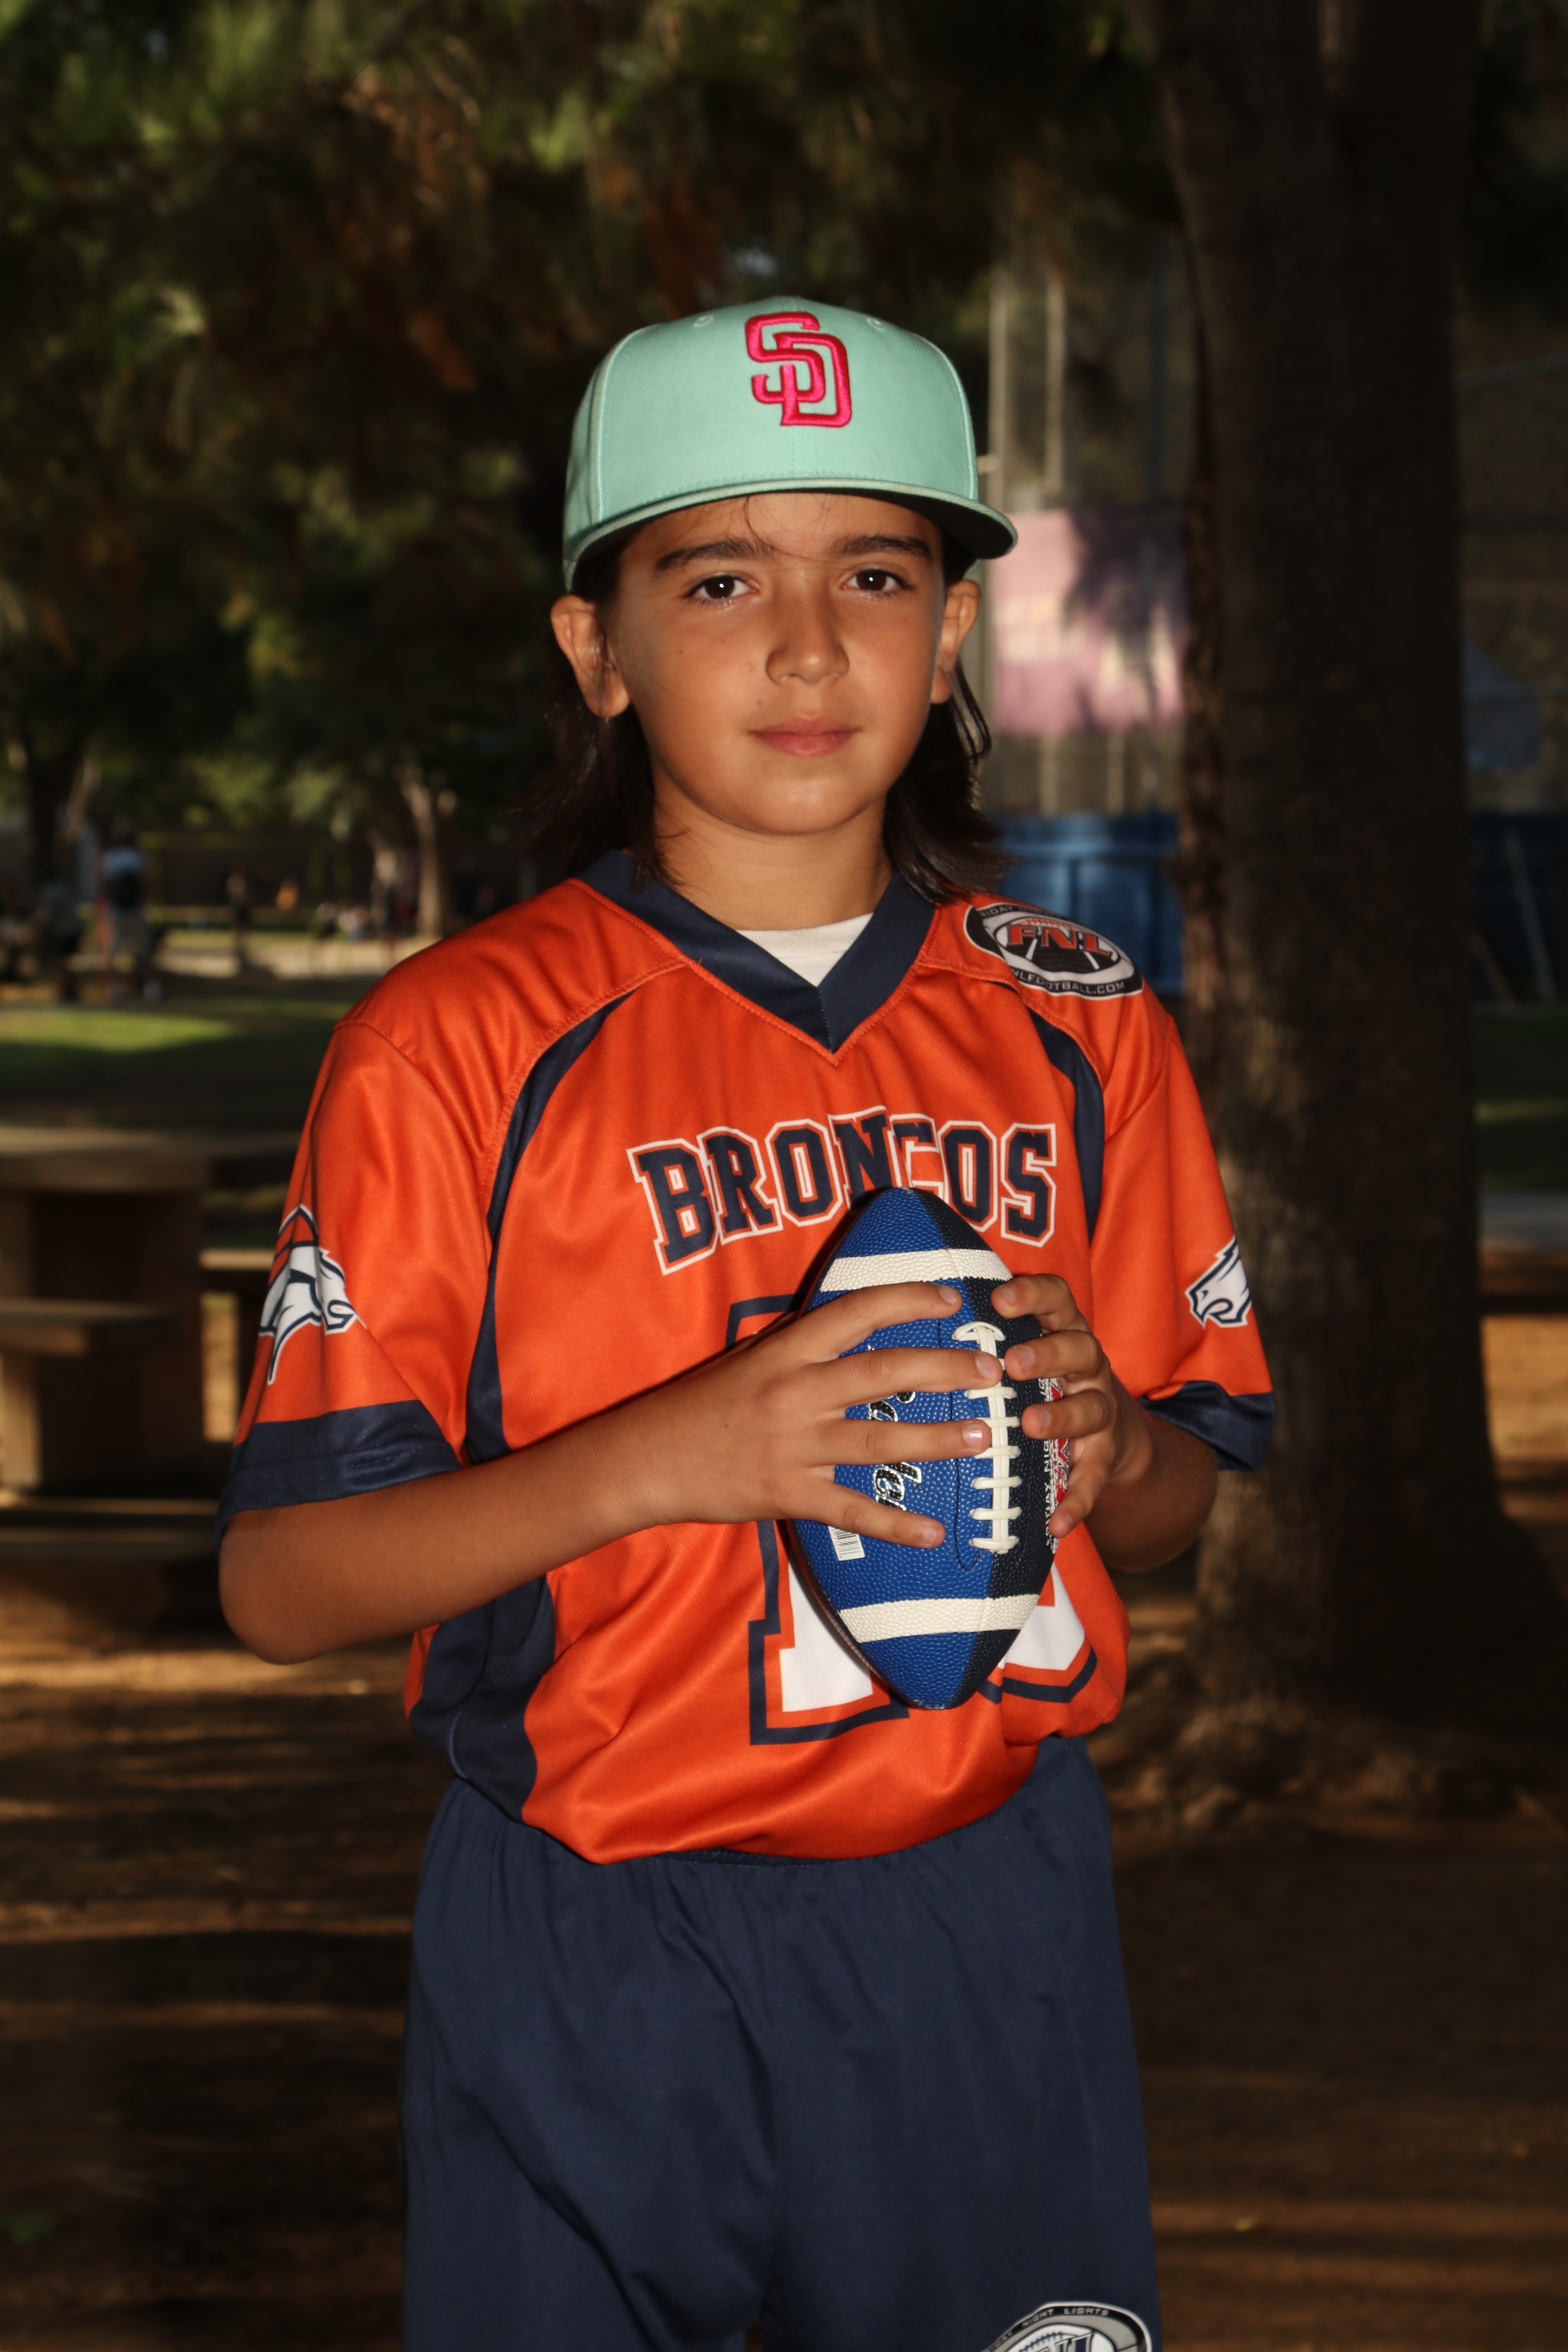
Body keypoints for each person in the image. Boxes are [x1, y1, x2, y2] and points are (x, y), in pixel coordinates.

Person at [218, 301, 1273, 2352]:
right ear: (595, 647)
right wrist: (674, 1456)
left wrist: (1116, 1443)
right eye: (718, 579)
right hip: (589, 1929)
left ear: (950, 631)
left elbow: (1176, 1507)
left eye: (875, 573)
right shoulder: (453, 1043)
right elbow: (281, 1581)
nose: (806, 645)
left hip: (983, 1908)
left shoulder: (1080, 1020)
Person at [100, 822, 153, 1001]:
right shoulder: (138, 857)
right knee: (143, 952)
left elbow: (103, 884)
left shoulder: (109, 857)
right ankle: (150, 988)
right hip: (135, 910)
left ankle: (113, 989)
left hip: (115, 912)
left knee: (112, 953)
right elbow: (146, 883)